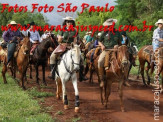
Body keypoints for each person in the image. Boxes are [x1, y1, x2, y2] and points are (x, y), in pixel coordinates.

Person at [97, 18, 122, 87]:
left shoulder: (117, 32)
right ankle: (102, 79)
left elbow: (121, 42)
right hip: (106, 50)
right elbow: (99, 41)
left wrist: (117, 45)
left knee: (125, 61)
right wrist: (102, 45)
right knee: (100, 61)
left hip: (116, 50)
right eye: (108, 26)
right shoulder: (103, 32)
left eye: (111, 25)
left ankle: (124, 79)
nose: (109, 27)